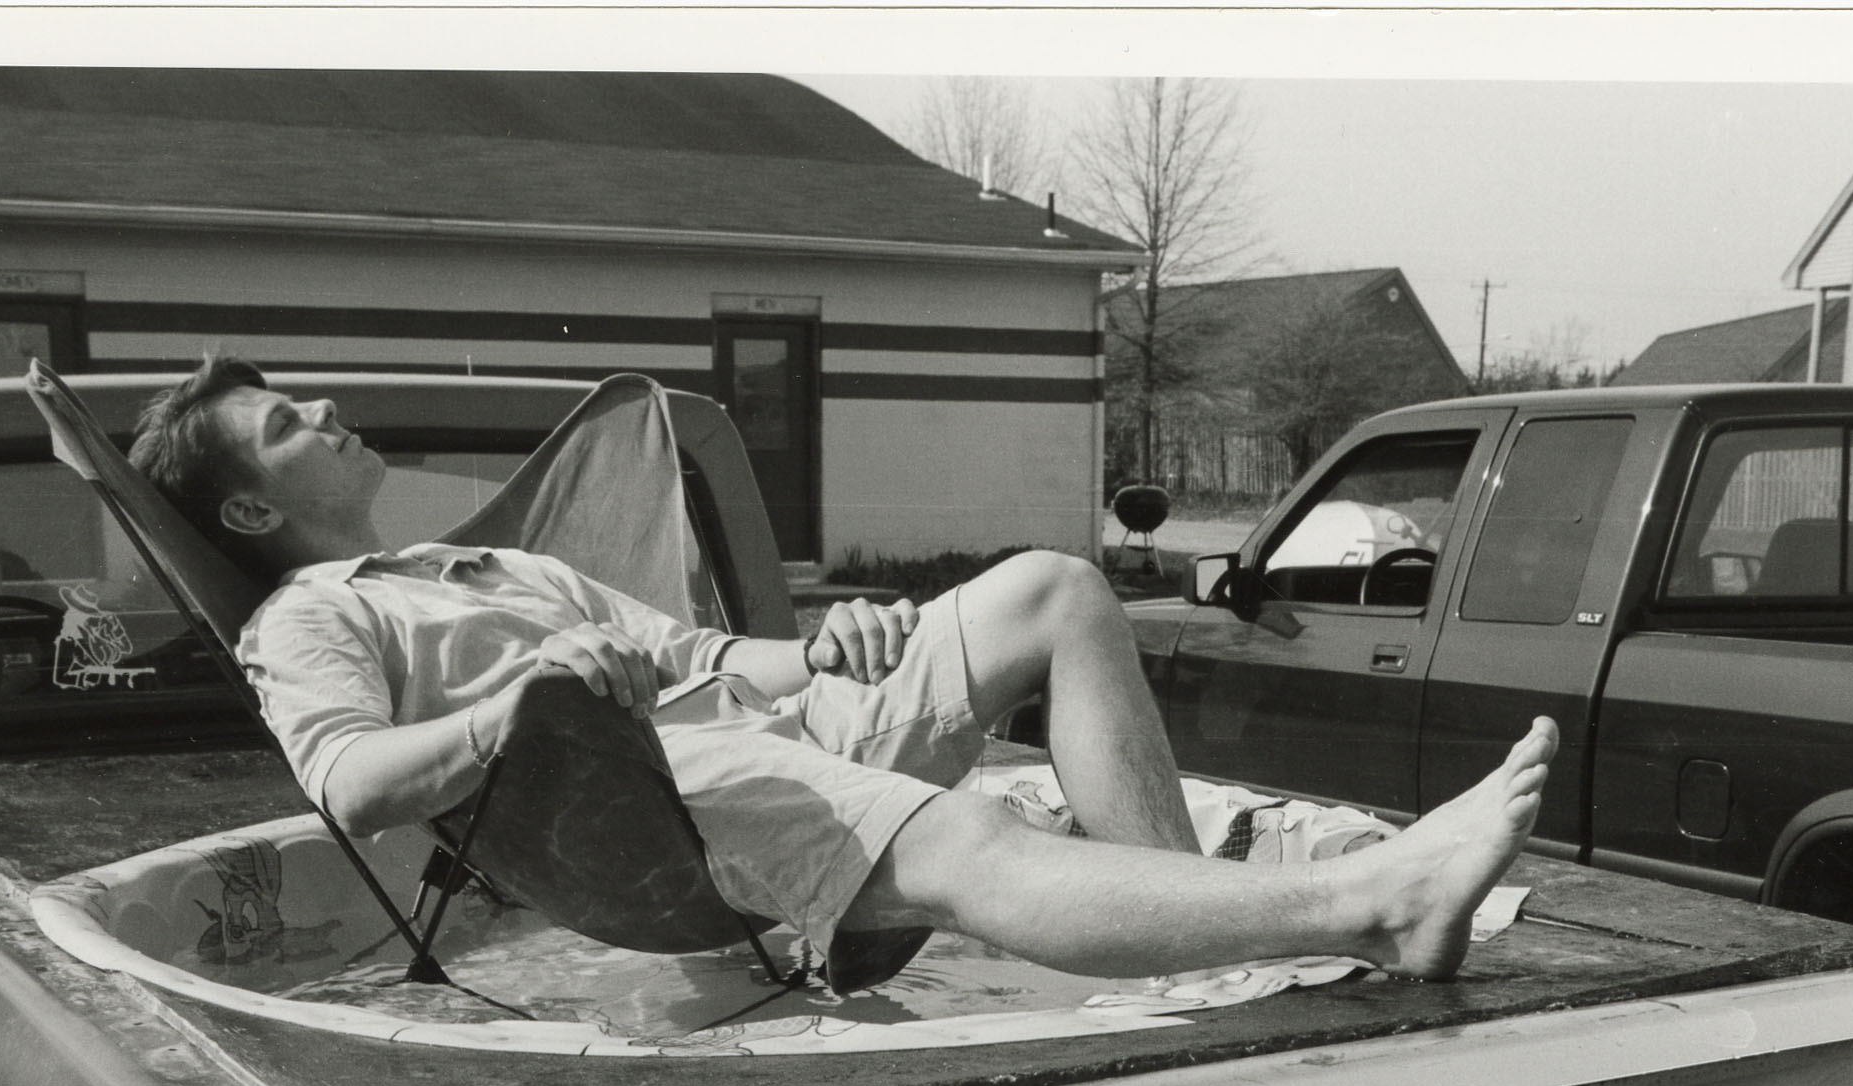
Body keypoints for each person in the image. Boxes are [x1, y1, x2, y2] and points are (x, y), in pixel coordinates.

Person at [128, 354, 1554, 988]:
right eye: (284, 423)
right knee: (960, 832)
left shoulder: (491, 568)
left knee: (1053, 591)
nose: (323, 409)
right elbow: (349, 784)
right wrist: (518, 703)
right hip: (639, 801)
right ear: (252, 511)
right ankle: (1372, 903)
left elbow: (698, 655)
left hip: (735, 719)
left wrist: (825, 644)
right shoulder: (308, 616)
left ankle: (1204, 949)